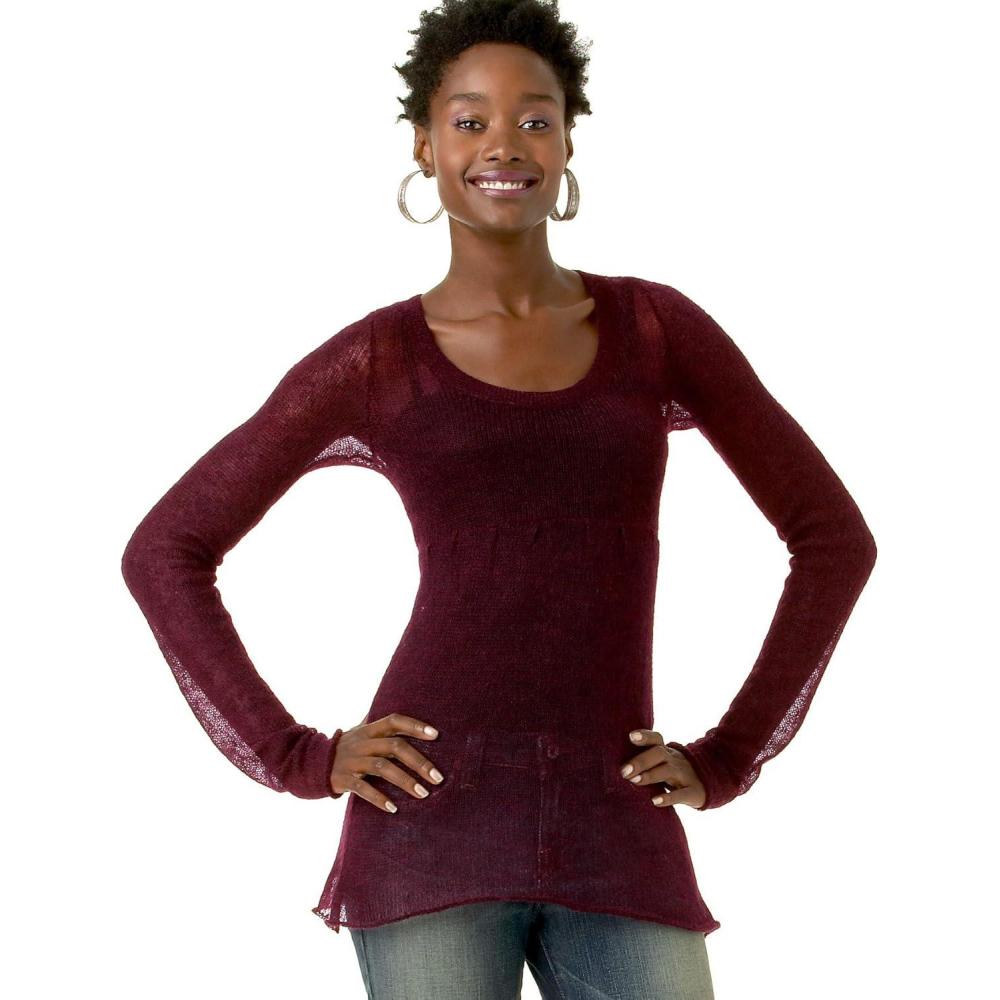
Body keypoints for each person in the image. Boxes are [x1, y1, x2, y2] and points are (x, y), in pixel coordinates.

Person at [121, 1, 877, 997]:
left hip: (615, 814)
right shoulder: (379, 359)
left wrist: (732, 754)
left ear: (567, 143)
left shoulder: (656, 330)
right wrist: (298, 754)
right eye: (470, 120)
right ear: (425, 146)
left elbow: (834, 539)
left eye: (535, 118)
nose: (503, 144)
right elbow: (166, 548)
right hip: (429, 815)